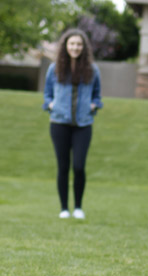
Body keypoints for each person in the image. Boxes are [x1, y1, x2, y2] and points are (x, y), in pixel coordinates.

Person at [43, 29, 103, 219]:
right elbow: (47, 94)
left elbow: (97, 96)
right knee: (63, 166)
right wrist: (51, 105)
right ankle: (63, 209)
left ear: (83, 47)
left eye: (78, 44)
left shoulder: (93, 70)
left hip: (83, 125)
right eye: (71, 44)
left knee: (78, 166)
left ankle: (78, 207)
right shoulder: (55, 69)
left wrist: (93, 106)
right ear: (65, 46)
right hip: (59, 123)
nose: (75, 47)